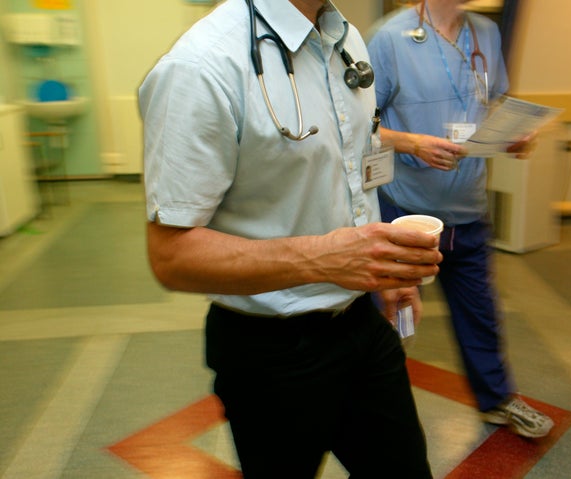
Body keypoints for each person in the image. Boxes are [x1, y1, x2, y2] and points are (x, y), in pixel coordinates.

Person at [138, 0, 443, 477]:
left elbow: (354, 162)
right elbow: (171, 256)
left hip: (361, 324)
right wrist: (324, 259)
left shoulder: (344, 41)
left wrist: (380, 270)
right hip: (270, 353)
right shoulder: (202, 67)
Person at [366, 0, 555, 439]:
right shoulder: (390, 38)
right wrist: (412, 142)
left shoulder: (485, 34)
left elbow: (489, 104)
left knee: (481, 313)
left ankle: (496, 399)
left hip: (468, 209)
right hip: (407, 209)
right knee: (396, 313)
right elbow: (358, 126)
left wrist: (512, 137)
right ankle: (381, 407)